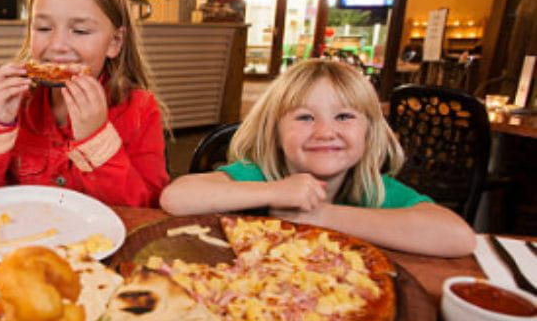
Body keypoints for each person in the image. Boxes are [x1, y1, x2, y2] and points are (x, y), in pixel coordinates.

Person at [160, 59, 475, 257]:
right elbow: (177, 197)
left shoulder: (372, 189)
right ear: (274, 131)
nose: (326, 132)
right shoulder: (263, 175)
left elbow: (458, 237)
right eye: (305, 118)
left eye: (344, 116)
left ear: (370, 132)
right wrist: (275, 192)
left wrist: (317, 216)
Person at [0, 0, 169, 207]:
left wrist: (96, 141)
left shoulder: (141, 109)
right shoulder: (19, 103)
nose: (57, 46)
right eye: (43, 28)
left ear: (114, 42)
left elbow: (146, 211)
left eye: (80, 31)